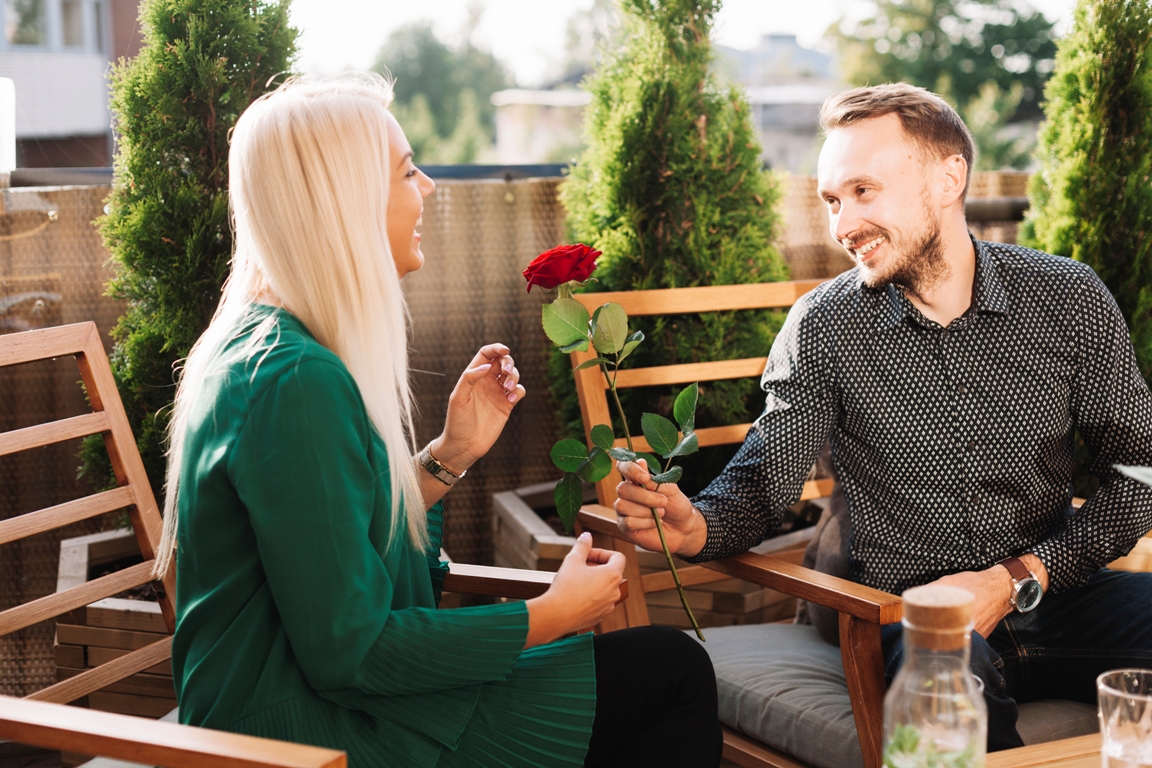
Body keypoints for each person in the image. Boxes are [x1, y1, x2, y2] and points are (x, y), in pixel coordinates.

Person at [158, 75, 722, 768]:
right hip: (301, 730)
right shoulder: (291, 378)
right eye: (405, 171)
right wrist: (550, 615)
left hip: (295, 700)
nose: (426, 187)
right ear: (345, 201)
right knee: (674, 675)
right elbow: (352, 649)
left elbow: (321, 546)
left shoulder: (262, 345)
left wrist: (449, 455)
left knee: (663, 670)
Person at [614, 82, 1152, 752]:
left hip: (1054, 594)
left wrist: (1019, 577)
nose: (842, 226)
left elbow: (1139, 471)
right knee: (949, 711)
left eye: (863, 192)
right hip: (901, 607)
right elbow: (760, 482)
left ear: (948, 177)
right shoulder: (825, 325)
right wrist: (694, 524)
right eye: (832, 201)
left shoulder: (1068, 299)